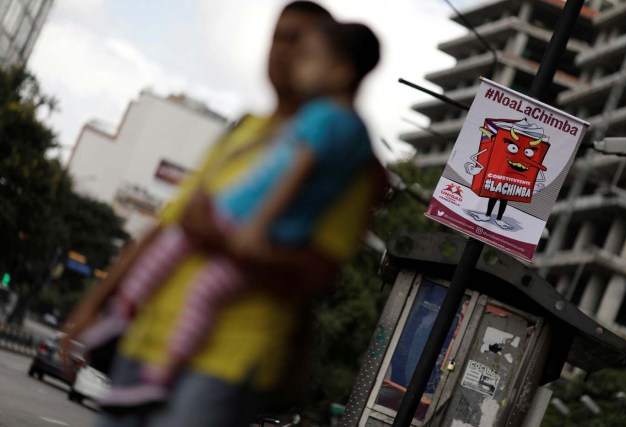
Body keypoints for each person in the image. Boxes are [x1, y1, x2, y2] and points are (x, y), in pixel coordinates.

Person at [63, 2, 387, 426]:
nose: (284, 51)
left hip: (229, 363)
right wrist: (92, 307)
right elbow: (166, 227)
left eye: (300, 41)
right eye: (278, 37)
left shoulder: (353, 160)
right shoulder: (246, 129)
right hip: (144, 339)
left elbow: (318, 272)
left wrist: (226, 240)